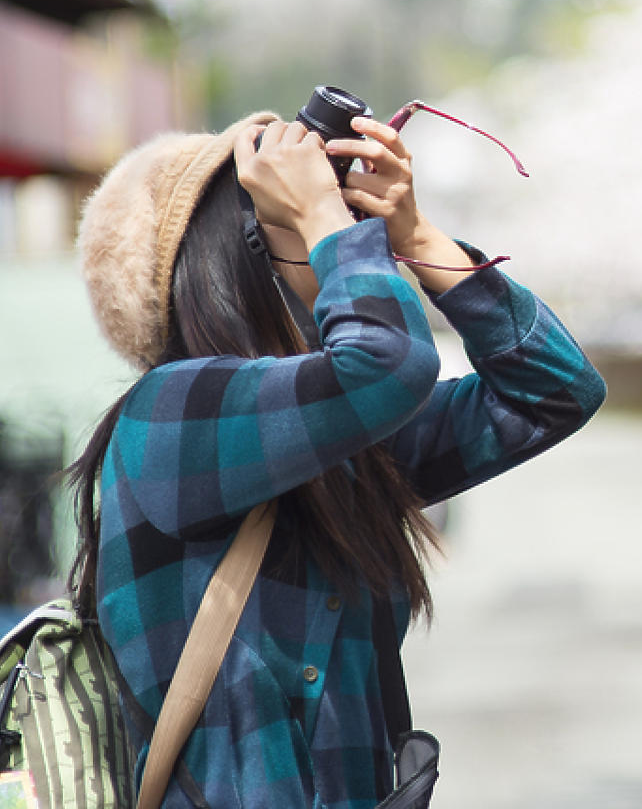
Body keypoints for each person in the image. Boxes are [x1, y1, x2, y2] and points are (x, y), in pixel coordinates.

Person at [66, 110, 605, 809]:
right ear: (236, 257)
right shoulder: (170, 416)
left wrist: (417, 235)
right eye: (304, 221)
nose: (348, 244)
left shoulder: (340, 447)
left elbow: (556, 391)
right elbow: (389, 365)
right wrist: (328, 217)